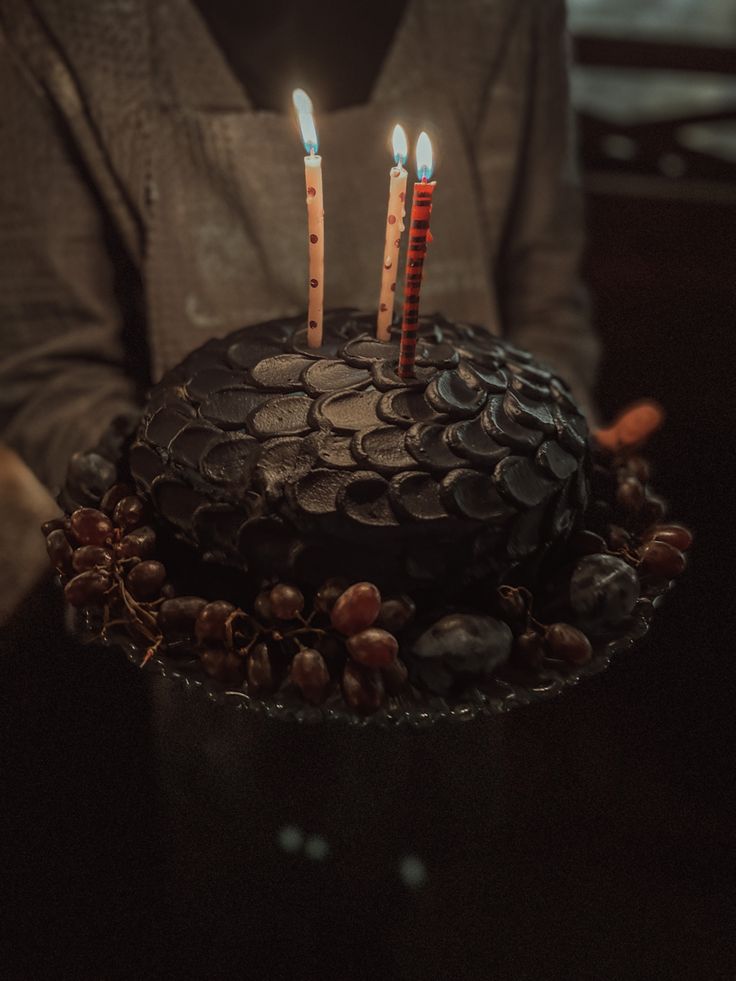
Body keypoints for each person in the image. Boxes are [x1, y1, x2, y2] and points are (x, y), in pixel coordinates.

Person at [0, 0, 599, 617]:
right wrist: (171, 514)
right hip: (214, 597)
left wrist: (555, 457)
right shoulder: (55, 23)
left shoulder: (509, 15)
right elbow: (48, 365)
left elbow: (547, 297)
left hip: (482, 564)